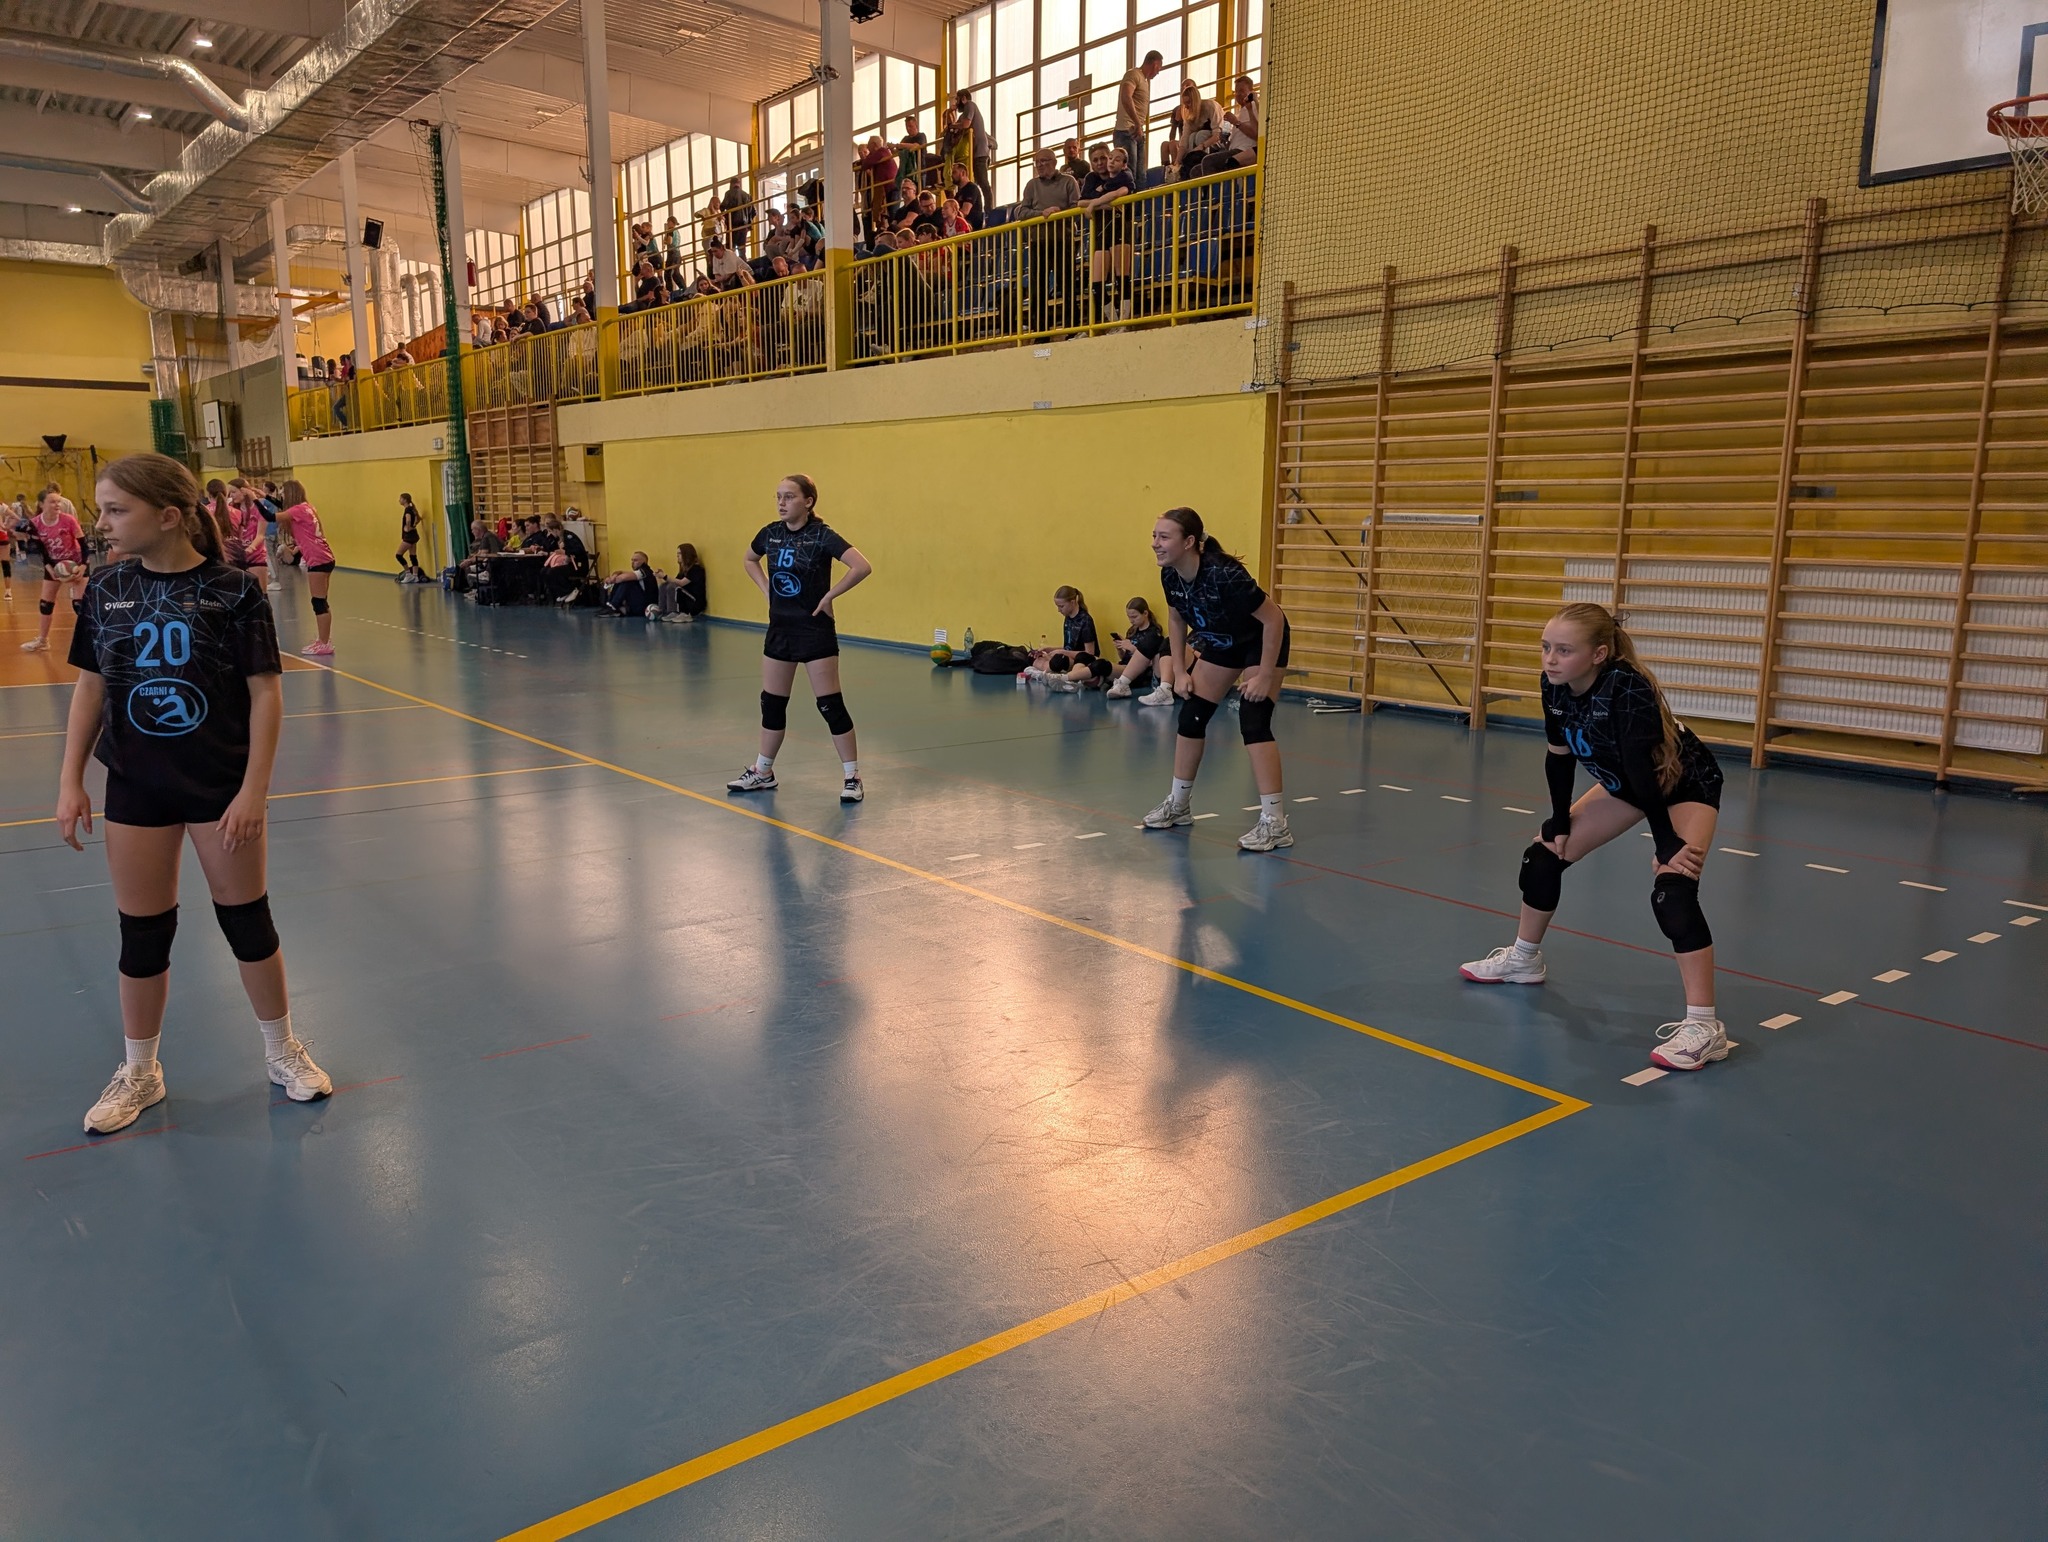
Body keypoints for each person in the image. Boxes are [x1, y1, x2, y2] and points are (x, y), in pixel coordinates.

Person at [55, 452, 331, 1136]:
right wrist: (70, 779)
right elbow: (90, 687)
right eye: (101, 509)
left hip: (218, 784)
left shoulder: (234, 592)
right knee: (144, 933)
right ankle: (140, 1071)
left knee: (247, 922)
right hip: (137, 784)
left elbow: (265, 695)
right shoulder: (107, 588)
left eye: (116, 509)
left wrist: (253, 792)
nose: (102, 522)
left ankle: (282, 1050)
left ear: (168, 516)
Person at [1458, 603, 1730, 1072]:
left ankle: (1706, 1027)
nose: (1550, 658)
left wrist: (1665, 842)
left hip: (1683, 783)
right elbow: (1558, 755)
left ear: (1599, 654)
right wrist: (1559, 819)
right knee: (1542, 858)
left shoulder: (1627, 688)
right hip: (1626, 784)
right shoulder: (1554, 685)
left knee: (1673, 892)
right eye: (1546, 647)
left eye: (1564, 650)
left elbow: (1644, 771)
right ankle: (1524, 959)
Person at [1142, 506, 1294, 852]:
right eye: (1154, 536)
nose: (1155, 543)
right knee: (1191, 717)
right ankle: (1179, 805)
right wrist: (1180, 671)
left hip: (1259, 641)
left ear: (1189, 542)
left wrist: (1264, 674)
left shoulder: (1224, 574)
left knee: (1253, 720)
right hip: (1222, 642)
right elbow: (1177, 620)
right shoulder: (1170, 575)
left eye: (1164, 537)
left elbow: (1273, 619)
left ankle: (1275, 824)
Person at [728, 475, 873, 803]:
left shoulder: (822, 535)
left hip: (813, 630)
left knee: (829, 705)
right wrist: (766, 589)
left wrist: (829, 596)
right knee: (772, 703)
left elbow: (861, 566)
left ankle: (852, 777)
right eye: (778, 496)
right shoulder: (770, 533)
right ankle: (763, 772)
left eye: (789, 497)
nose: (781, 503)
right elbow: (750, 558)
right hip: (780, 629)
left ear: (808, 502)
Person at [19, 488, 89, 654]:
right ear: (41, 504)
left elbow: (84, 545)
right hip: (54, 564)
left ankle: (93, 639)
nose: (57, 505)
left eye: (59, 501)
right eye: (52, 502)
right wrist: (49, 568)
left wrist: (83, 566)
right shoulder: (35, 524)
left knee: (79, 605)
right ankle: (43, 641)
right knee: (45, 604)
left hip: (75, 564)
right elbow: (41, 550)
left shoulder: (68, 520)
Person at [274, 479, 336, 657]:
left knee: (319, 602)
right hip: (324, 556)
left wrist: (254, 499)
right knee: (322, 601)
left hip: (318, 560)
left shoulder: (297, 510)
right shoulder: (307, 507)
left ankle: (324, 643)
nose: (282, 496)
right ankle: (324, 640)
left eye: (283, 493)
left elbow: (271, 516)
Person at [1082, 143, 1137, 322]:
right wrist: (1102, 204)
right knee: (1096, 283)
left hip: (1120, 226)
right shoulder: (1091, 178)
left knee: (1122, 276)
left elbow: (1121, 193)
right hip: (1101, 230)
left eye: (1104, 158)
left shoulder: (1124, 175)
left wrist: (1095, 202)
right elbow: (1080, 202)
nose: (1101, 163)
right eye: (1095, 160)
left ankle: (1124, 320)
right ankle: (1112, 319)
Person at [1025, 585, 1105, 689]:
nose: (1059, 610)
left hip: (1082, 660)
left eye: (1061, 606)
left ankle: (1047, 672)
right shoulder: (1068, 618)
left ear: (1072, 602)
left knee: (1059, 661)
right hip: (1069, 657)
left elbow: (1090, 654)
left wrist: (1063, 652)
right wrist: (1049, 649)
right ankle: (1047, 671)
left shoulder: (1086, 620)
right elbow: (1069, 646)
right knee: (1031, 655)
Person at [1105, 595, 1179, 702]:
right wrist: (1120, 648)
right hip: (1127, 667)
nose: (1131, 620)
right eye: (1129, 617)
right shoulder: (1131, 631)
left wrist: (1132, 648)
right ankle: (1120, 683)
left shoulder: (1154, 634)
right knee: (1091, 660)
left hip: (1142, 673)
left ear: (1145, 613)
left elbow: (1151, 661)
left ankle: (1122, 682)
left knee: (1102, 665)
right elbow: (1124, 657)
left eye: (1134, 617)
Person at [1115, 50, 1165, 179]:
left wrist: (1139, 126)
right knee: (1129, 172)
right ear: (1155, 64)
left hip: (1136, 130)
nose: (1158, 72)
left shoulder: (1145, 81)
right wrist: (1137, 123)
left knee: (1140, 174)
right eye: (1159, 68)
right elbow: (1126, 97)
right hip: (1127, 130)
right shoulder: (1133, 75)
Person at [1203, 74, 1260, 173]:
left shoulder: (1254, 108)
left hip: (1244, 150)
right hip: (1233, 149)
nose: (1238, 94)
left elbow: (1256, 134)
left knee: (1208, 161)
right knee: (1195, 170)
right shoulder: (1239, 113)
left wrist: (1236, 122)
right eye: (1236, 91)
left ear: (1250, 91)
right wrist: (1225, 139)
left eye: (1242, 91)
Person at [1168, 80, 1223, 177]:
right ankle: (1192, 167)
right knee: (1192, 136)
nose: (1186, 107)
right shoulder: (1188, 114)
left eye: (1188, 103)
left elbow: (1218, 135)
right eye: (1185, 104)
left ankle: (1204, 164)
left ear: (1195, 101)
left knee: (1200, 135)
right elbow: (1184, 139)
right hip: (1200, 141)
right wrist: (1177, 161)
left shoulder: (1211, 106)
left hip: (1220, 139)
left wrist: (1202, 146)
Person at [954, 89, 993, 191]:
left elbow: (965, 124)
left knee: (983, 182)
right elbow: (954, 129)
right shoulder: (962, 116)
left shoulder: (970, 105)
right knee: (973, 184)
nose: (956, 103)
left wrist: (953, 126)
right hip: (973, 153)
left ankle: (989, 202)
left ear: (963, 98)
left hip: (980, 152)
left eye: (957, 99)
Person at [601, 550, 662, 617]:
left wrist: (611, 580)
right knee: (625, 579)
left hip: (645, 607)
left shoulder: (645, 571)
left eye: (635, 560)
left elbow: (623, 578)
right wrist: (614, 576)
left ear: (644, 562)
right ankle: (611, 605)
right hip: (639, 603)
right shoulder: (638, 571)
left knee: (627, 581)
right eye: (632, 560)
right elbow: (619, 572)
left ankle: (613, 606)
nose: (632, 562)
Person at [664, 541, 707, 620]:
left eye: (680, 553)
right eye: (677, 554)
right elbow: (675, 580)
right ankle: (665, 611)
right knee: (664, 586)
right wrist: (663, 577)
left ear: (687, 554)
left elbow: (681, 583)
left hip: (695, 602)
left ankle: (683, 613)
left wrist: (665, 576)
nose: (677, 556)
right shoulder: (683, 570)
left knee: (673, 587)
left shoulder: (696, 569)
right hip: (688, 598)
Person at [720, 175, 756, 255]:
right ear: (739, 183)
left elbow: (723, 206)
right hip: (743, 226)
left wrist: (723, 216)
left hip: (732, 225)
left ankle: (732, 263)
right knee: (742, 250)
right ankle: (743, 262)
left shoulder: (729, 193)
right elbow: (753, 212)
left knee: (730, 249)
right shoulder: (746, 195)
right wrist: (748, 223)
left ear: (731, 184)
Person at [395, 491, 425, 582]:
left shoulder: (407, 510)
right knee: (413, 556)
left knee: (398, 555)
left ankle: (408, 574)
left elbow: (408, 520)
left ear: (405, 500)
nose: (399, 500)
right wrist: (414, 526)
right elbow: (418, 518)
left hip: (409, 537)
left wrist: (408, 528)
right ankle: (415, 576)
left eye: (400, 498)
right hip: (414, 536)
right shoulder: (412, 509)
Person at [949, 162, 987, 230]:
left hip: (972, 226)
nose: (952, 175)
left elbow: (965, 212)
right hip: (962, 225)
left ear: (963, 173)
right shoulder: (958, 194)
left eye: (954, 172)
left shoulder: (972, 188)